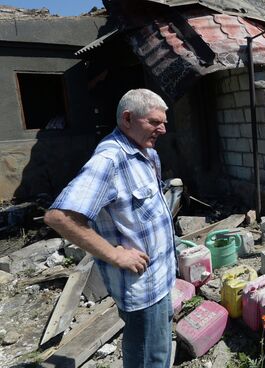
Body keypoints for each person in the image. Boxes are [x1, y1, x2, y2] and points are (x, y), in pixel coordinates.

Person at [44, 89, 175, 368]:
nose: (162, 129)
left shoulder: (147, 153)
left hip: (161, 280)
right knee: (148, 360)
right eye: (154, 122)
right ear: (127, 119)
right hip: (142, 290)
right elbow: (60, 216)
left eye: (164, 122)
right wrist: (115, 255)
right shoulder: (110, 159)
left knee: (159, 353)